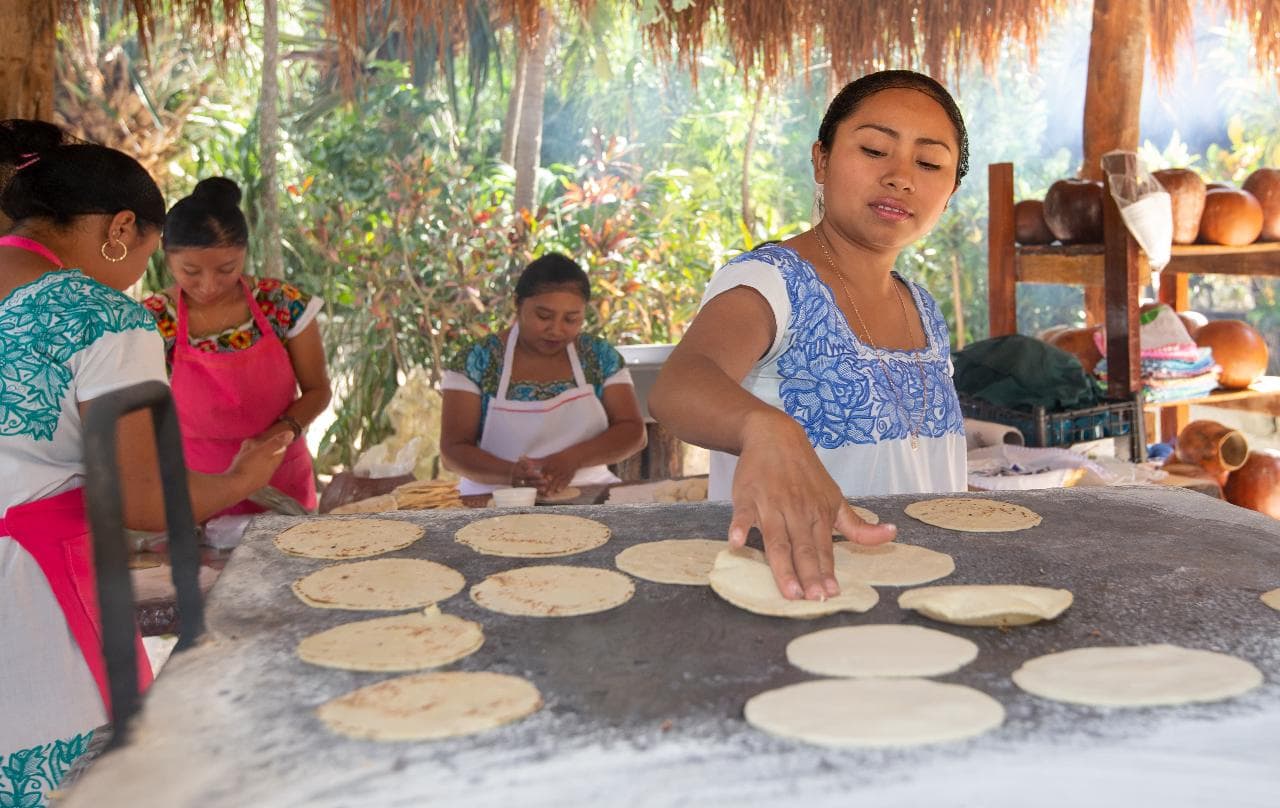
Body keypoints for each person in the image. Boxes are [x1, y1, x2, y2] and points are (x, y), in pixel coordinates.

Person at [0, 121, 288, 806]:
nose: (138, 276)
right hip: (33, 605)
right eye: (148, 254)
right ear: (121, 227)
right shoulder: (104, 318)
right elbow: (137, 499)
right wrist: (242, 480)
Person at [649, 70, 969, 602]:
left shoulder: (924, 310)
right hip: (792, 594)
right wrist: (767, 429)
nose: (900, 177)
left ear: (950, 190)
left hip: (920, 598)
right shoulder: (769, 281)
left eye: (929, 163)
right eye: (873, 150)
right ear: (821, 160)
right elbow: (679, 386)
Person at [143, 178, 330, 515]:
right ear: (167, 258)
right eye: (191, 271)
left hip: (280, 474)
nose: (209, 285)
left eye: (227, 269)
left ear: (244, 253)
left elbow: (318, 390)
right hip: (198, 487)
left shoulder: (282, 304)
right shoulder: (154, 320)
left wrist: (274, 438)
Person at [440, 252, 647, 496]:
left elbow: (633, 432)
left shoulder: (600, 357)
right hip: (494, 496)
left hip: (589, 492)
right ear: (517, 304)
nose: (556, 330)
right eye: (544, 316)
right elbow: (453, 450)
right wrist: (512, 474)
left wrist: (572, 459)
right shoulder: (476, 361)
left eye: (571, 319)